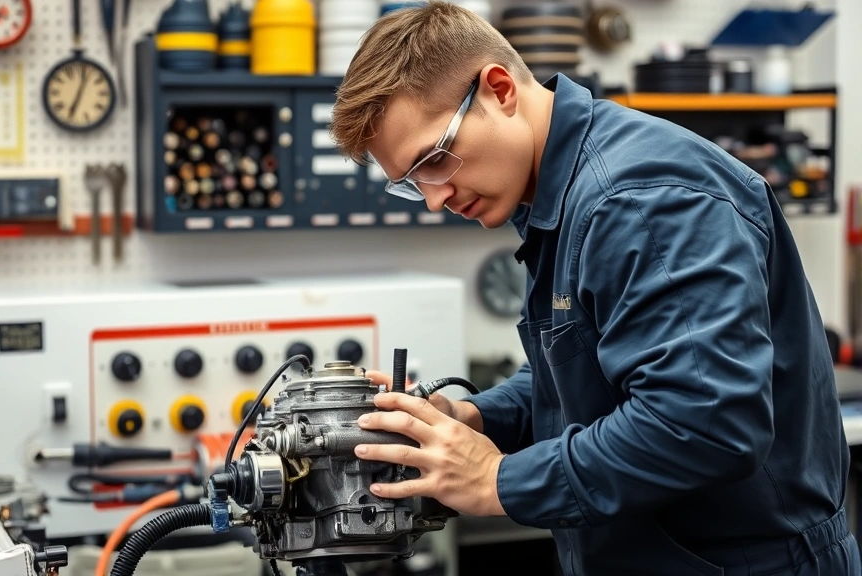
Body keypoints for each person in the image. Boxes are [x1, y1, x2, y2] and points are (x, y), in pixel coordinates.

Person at [328, 2, 861, 574]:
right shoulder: (560, 196)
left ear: (500, 90)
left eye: (434, 159)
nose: (435, 198)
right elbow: (582, 368)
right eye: (412, 185)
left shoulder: (638, 201)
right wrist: (474, 418)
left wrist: (496, 479)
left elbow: (705, 422)